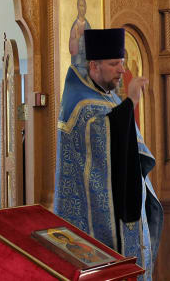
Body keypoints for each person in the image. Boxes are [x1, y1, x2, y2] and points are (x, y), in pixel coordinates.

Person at [54, 28, 163, 281]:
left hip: (121, 205)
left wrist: (125, 106)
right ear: (94, 65)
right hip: (91, 217)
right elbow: (101, 134)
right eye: (114, 64)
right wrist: (131, 102)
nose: (121, 71)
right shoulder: (79, 102)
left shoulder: (108, 96)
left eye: (122, 64)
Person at [69, 0, 92, 76]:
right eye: (80, 5)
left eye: (83, 6)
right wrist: (77, 40)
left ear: (86, 8)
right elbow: (71, 48)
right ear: (77, 7)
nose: (82, 8)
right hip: (77, 62)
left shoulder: (88, 25)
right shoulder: (75, 25)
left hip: (86, 62)